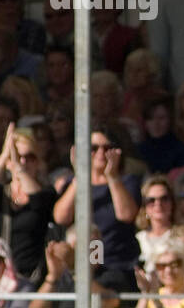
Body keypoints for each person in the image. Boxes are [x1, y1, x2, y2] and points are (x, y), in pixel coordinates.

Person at [53, 125, 142, 295]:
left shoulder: (128, 182)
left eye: (107, 148)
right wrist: (79, 176)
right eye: (93, 148)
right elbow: (61, 217)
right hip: (79, 266)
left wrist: (112, 176)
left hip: (115, 266)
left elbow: (126, 214)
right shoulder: (72, 183)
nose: (101, 153)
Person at [0, 123, 56, 284]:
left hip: (31, 279)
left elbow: (38, 201)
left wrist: (18, 168)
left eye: (30, 157)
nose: (22, 161)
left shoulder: (47, 193)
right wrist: (5, 155)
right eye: (17, 156)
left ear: (38, 162)